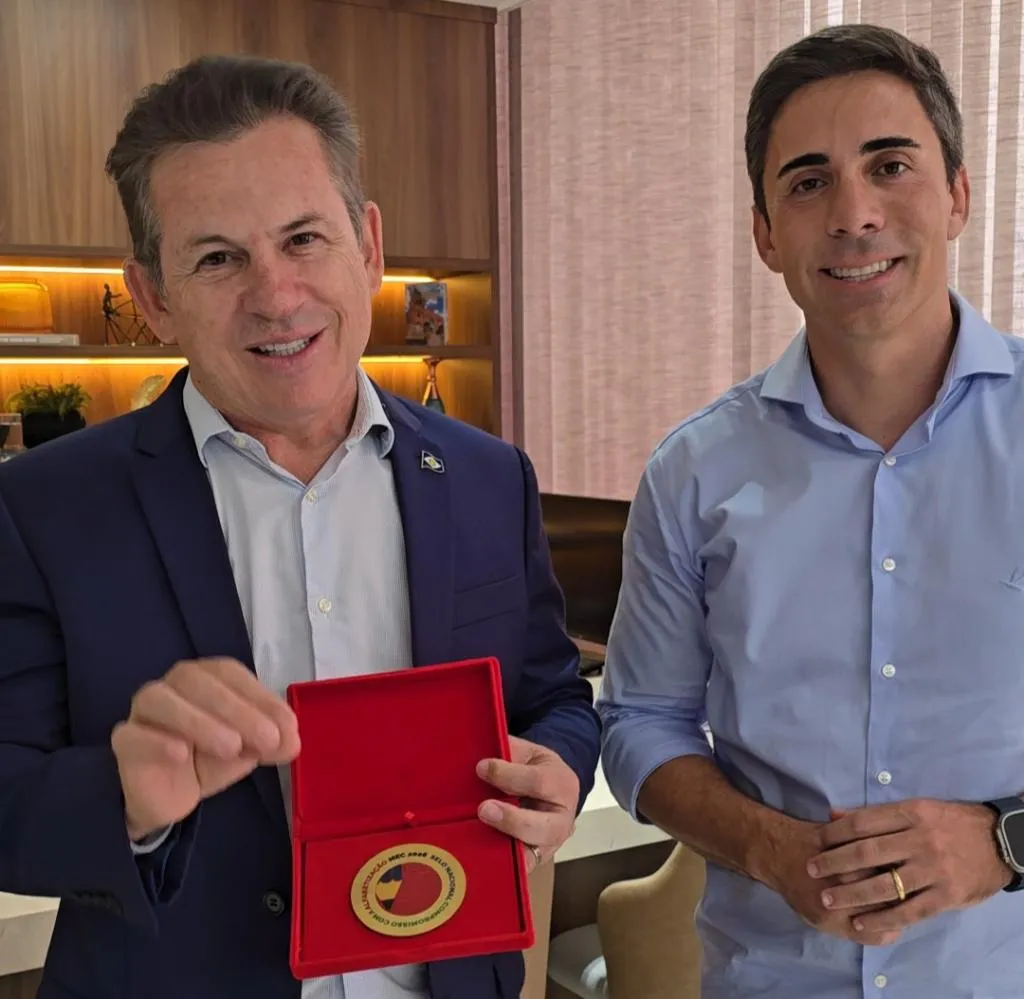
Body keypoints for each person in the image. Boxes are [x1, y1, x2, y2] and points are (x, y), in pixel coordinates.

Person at [0, 55, 600, 999]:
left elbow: (554, 695)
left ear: (367, 245)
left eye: (303, 238)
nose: (277, 296)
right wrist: (123, 795)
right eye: (217, 258)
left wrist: (559, 766)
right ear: (152, 296)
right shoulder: (42, 506)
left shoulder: (489, 478)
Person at [598, 22, 1024, 999]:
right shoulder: (692, 473)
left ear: (957, 196)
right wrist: (769, 847)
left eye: (890, 166)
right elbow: (639, 724)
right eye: (808, 182)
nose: (854, 213)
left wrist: (1004, 842)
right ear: (765, 234)